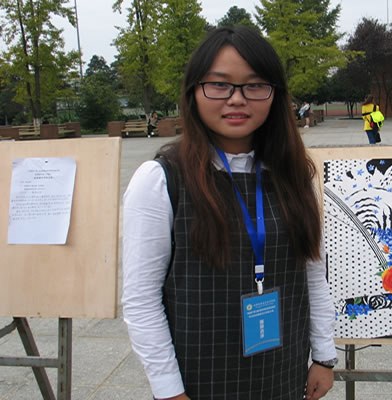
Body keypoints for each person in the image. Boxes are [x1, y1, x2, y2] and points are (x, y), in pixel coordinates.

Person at [122, 26, 337, 400]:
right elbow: (141, 299)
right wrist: (168, 390)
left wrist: (324, 356)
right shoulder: (161, 180)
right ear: (194, 92)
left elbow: (313, 275)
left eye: (255, 86)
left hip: (282, 373)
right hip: (198, 379)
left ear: (275, 95)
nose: (237, 99)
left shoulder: (294, 177)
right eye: (219, 85)